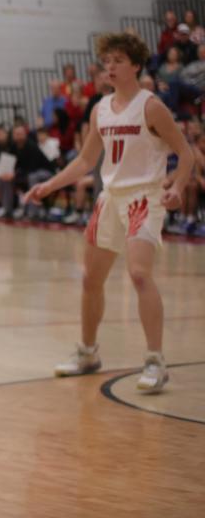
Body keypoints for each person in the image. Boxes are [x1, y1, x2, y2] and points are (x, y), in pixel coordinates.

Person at [28, 32, 194, 394]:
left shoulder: (152, 106)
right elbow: (86, 161)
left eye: (118, 61)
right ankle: (87, 353)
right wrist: (50, 186)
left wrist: (178, 187)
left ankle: (155, 360)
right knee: (90, 280)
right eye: (106, 62)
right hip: (109, 199)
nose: (110, 68)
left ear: (136, 65)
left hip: (143, 198)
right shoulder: (100, 109)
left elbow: (186, 153)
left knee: (138, 274)